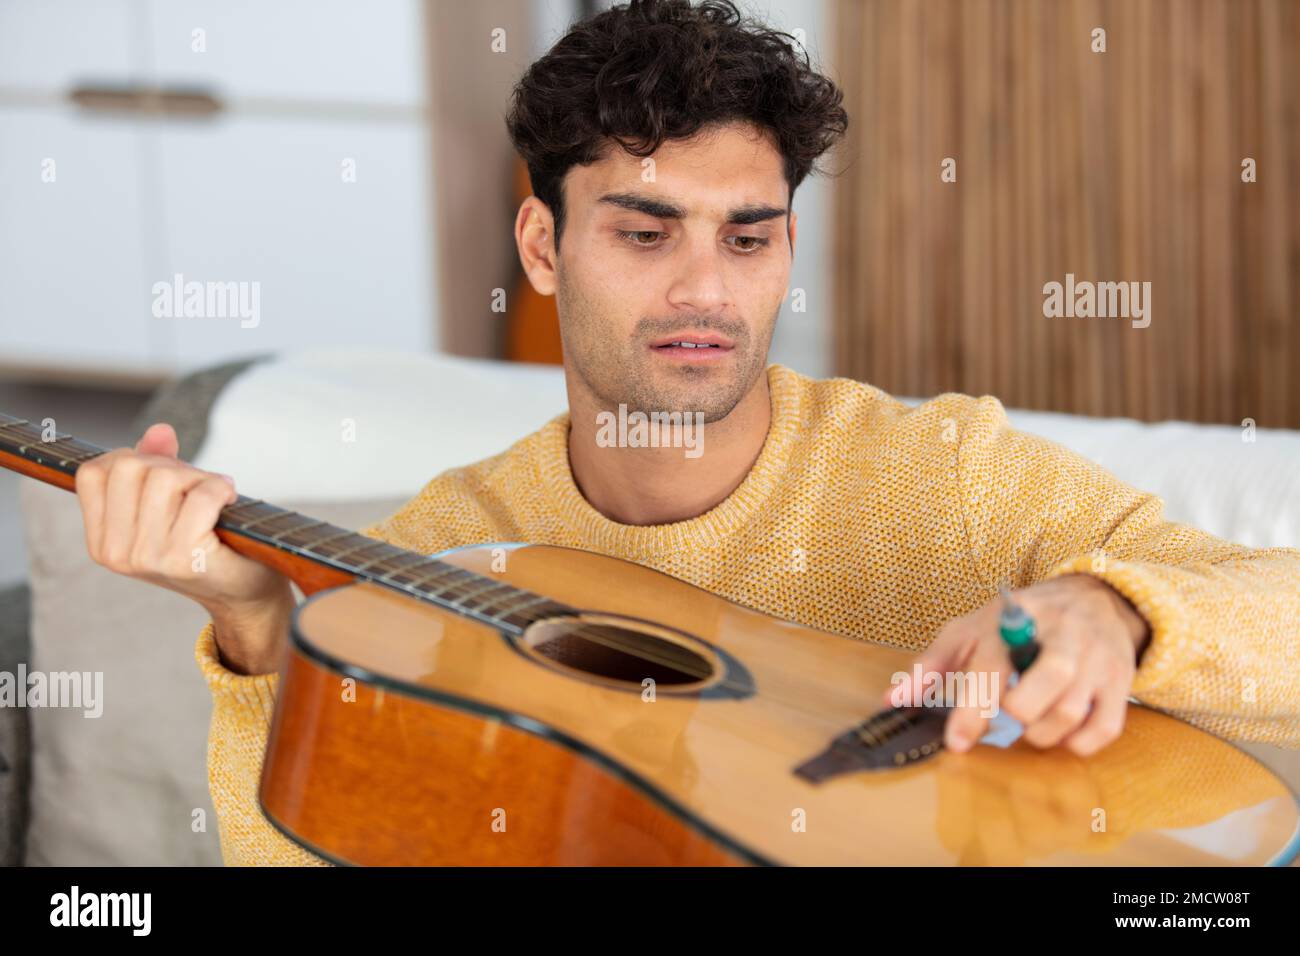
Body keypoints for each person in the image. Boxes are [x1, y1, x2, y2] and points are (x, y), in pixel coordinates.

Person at [73, 0, 1300, 866]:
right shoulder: (452, 551)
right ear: (545, 249)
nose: (706, 291)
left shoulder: (946, 473)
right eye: (646, 233)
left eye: (747, 237)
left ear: (787, 253)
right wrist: (252, 626)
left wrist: (1117, 609)